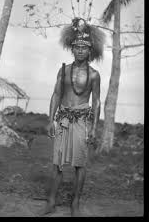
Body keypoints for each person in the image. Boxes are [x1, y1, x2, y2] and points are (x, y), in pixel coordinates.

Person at [43, 18, 105, 217]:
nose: (80, 50)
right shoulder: (63, 70)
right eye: (76, 47)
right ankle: (51, 201)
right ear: (72, 49)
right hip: (62, 119)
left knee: (80, 164)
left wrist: (94, 128)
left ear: (90, 50)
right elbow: (56, 94)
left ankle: (75, 203)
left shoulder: (94, 75)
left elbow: (96, 102)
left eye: (83, 47)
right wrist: (49, 120)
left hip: (81, 122)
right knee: (57, 163)